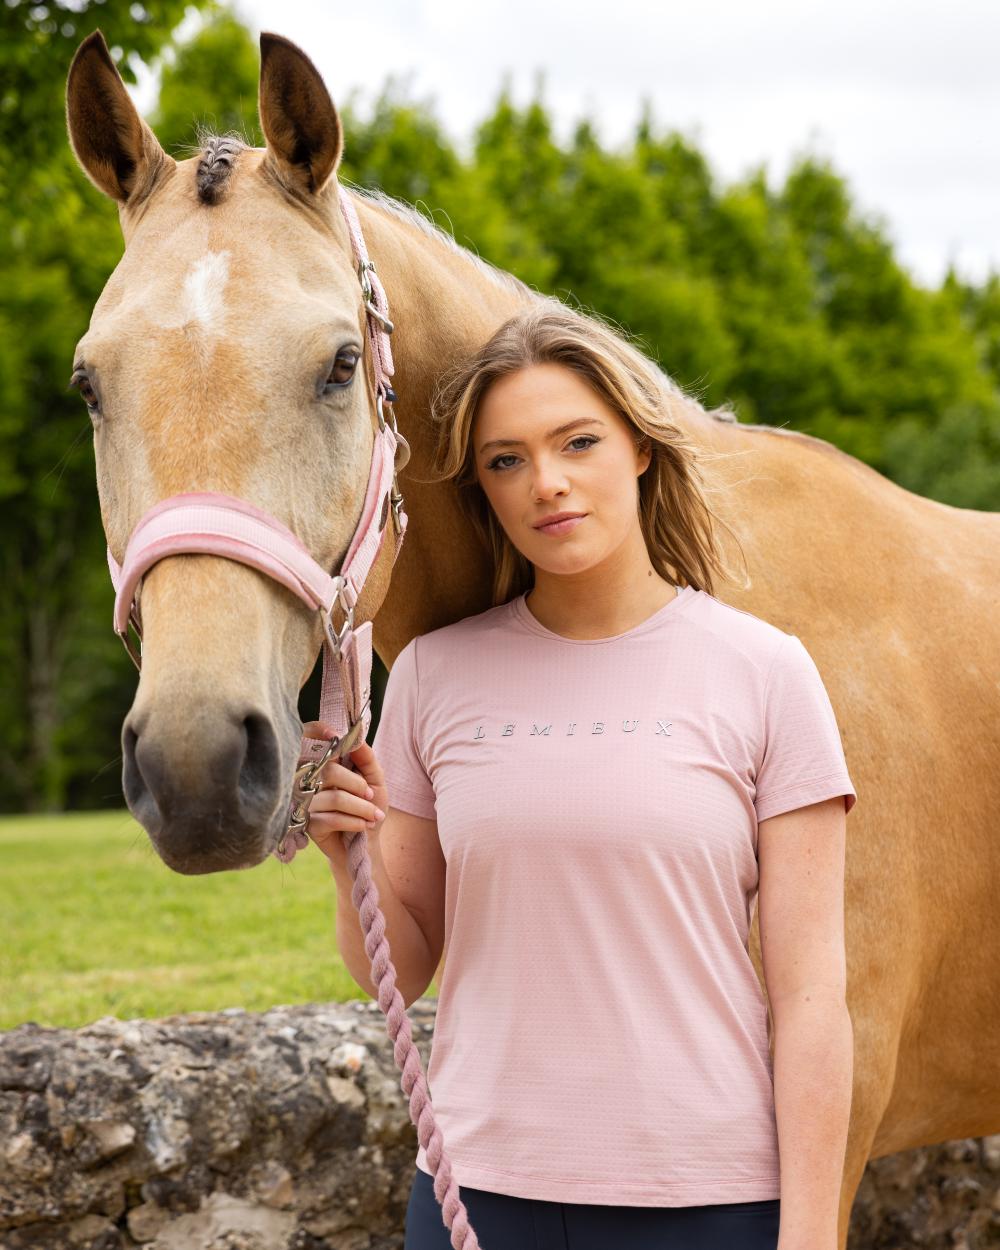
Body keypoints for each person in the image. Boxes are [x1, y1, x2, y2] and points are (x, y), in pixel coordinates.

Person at [304, 303, 857, 1250]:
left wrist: (809, 1235)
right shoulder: (435, 674)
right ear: (483, 489)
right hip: (474, 1196)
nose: (546, 484)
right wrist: (341, 851)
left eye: (578, 442)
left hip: (709, 1202)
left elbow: (811, 1001)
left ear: (640, 447)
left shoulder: (767, 673)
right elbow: (396, 964)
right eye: (506, 461)